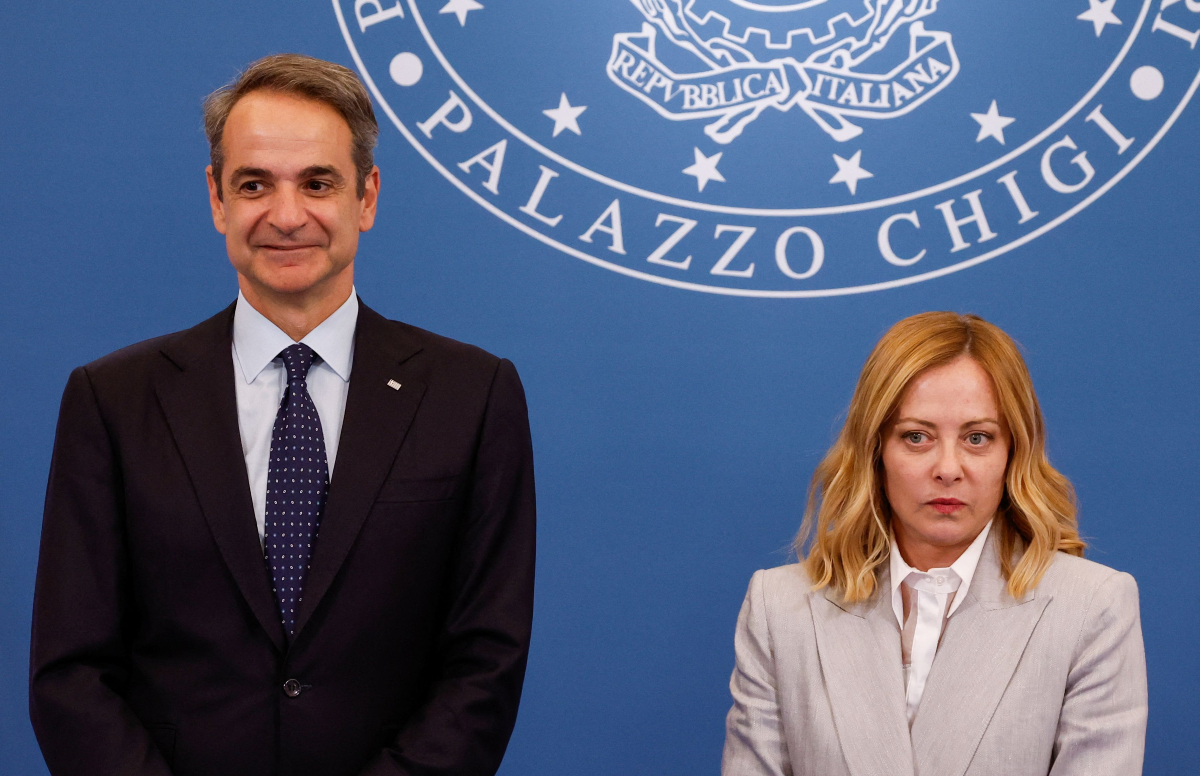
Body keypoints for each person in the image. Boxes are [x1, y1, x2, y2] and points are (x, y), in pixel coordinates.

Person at [29, 54, 536, 776]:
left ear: (367, 197)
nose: (287, 215)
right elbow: (71, 673)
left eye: (318, 184)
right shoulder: (112, 400)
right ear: (217, 199)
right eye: (254, 184)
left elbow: (486, 663)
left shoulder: (473, 395)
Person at [722, 312, 1146, 776]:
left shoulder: (1092, 607)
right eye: (917, 437)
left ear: (1014, 452)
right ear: (876, 450)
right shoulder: (780, 609)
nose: (947, 469)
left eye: (977, 438)